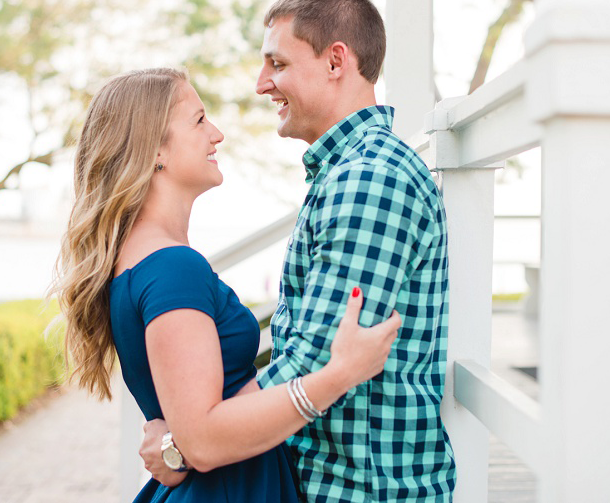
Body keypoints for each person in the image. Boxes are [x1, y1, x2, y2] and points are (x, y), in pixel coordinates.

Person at [142, 0, 456, 501]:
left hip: (360, 491)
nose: (262, 83)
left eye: (278, 64)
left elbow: (315, 361)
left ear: (336, 61)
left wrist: (190, 442)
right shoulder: (345, 174)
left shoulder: (368, 181)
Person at [50, 67, 402, 503]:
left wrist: (172, 443)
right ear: (152, 149)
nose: (216, 134)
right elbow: (203, 439)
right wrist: (341, 374)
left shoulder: (144, 259)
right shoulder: (171, 267)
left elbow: (188, 429)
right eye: (199, 121)